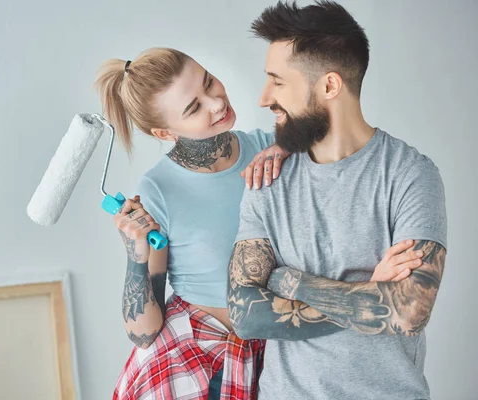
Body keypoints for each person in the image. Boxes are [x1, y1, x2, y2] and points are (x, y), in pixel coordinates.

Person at [96, 47, 422, 400]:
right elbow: (144, 333)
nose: (216, 103)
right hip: (201, 364)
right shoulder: (157, 190)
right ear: (164, 133)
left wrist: (291, 144)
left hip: (280, 354)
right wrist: (137, 252)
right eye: (194, 108)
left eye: (209, 82)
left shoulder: (271, 149)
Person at [228, 2, 447, 400]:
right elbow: (245, 314)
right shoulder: (267, 179)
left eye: (277, 82)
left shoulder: (410, 174)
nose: (263, 99)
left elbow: (408, 311)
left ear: (329, 86)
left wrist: (288, 281)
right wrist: (369, 291)